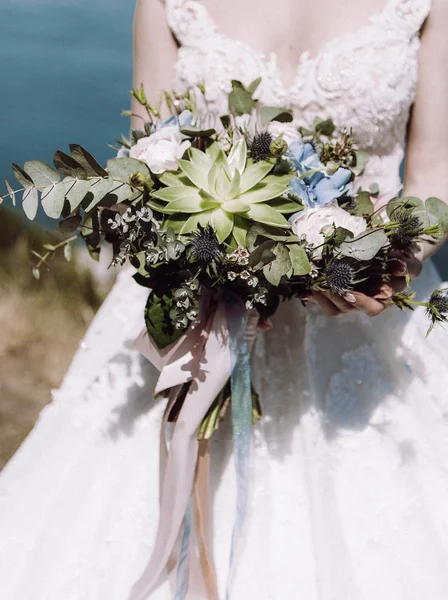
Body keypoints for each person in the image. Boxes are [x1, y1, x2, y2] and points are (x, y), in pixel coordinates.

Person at [1, 0, 448, 598]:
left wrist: (387, 264)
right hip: (199, 311)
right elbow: (144, 165)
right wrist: (200, 262)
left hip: (364, 324)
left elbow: (431, 179)